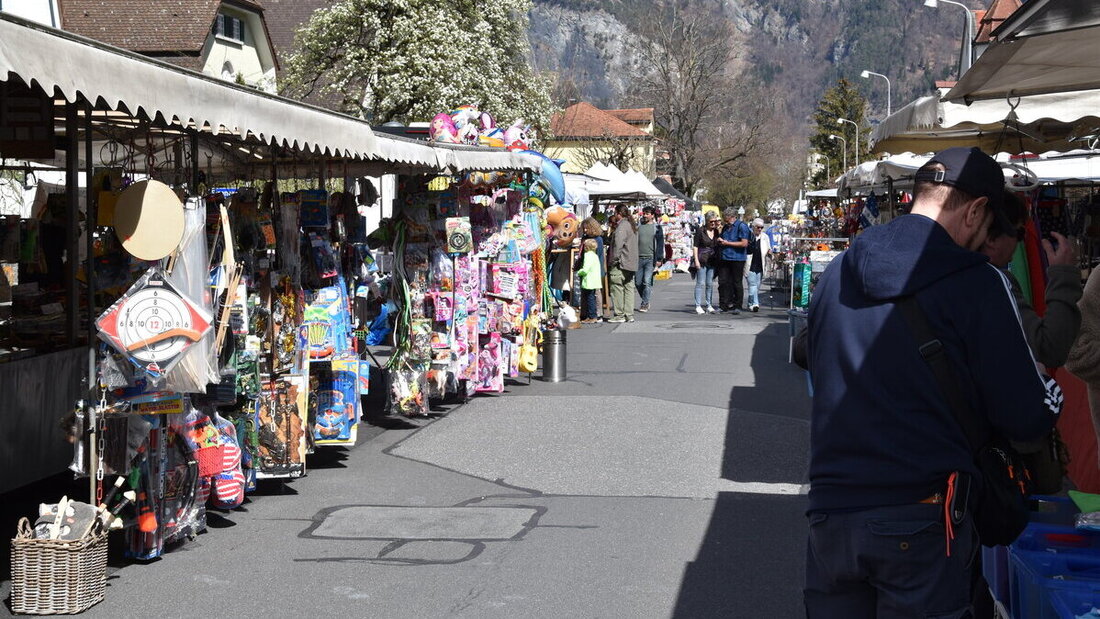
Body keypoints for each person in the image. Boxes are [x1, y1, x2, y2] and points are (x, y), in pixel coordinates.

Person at [803, 147, 1055, 618]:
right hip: (922, 514)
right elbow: (1027, 418)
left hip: (830, 512)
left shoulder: (837, 272)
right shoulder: (979, 282)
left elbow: (817, 370)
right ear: (976, 210)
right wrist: (1047, 389)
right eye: (985, 227)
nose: (984, 241)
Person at [607, 204, 639, 324]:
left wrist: (613, 259)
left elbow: (618, 245)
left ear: (618, 213)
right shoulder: (632, 225)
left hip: (621, 262)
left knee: (617, 287)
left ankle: (619, 314)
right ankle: (629, 314)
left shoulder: (622, 226)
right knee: (629, 287)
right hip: (631, 261)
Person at [715, 207, 751, 314]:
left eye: (726, 217)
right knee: (723, 282)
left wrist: (727, 243)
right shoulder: (726, 227)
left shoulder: (741, 226)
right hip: (725, 257)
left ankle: (738, 305)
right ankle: (724, 305)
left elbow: (744, 243)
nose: (724, 220)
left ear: (731, 217)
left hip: (738, 258)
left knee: (737, 282)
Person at [635, 205, 664, 312]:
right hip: (638, 258)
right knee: (637, 282)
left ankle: (645, 303)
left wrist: (659, 259)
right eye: (644, 213)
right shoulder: (638, 226)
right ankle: (646, 299)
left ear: (652, 215)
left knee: (646, 282)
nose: (645, 215)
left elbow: (661, 244)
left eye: (647, 213)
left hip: (651, 258)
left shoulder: (657, 228)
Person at [693, 210, 721, 314]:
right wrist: (696, 260)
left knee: (710, 283)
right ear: (707, 221)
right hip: (702, 258)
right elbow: (695, 246)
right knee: (700, 282)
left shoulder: (716, 231)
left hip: (712, 260)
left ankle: (709, 304)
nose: (713, 223)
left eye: (715, 221)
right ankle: (698, 305)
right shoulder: (700, 231)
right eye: (711, 221)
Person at [744, 217, 772, 312]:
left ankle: (750, 303)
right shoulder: (748, 236)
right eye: (758, 227)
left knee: (757, 285)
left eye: (761, 227)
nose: (760, 229)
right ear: (753, 227)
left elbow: (768, 248)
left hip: (760, 264)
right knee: (752, 285)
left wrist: (770, 252)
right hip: (750, 264)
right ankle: (755, 304)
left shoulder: (765, 237)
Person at [576, 239, 603, 324]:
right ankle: (591, 315)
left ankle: (592, 316)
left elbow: (585, 269)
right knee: (591, 298)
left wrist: (579, 272)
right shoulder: (595, 255)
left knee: (590, 299)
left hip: (589, 281)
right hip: (595, 280)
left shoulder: (587, 255)